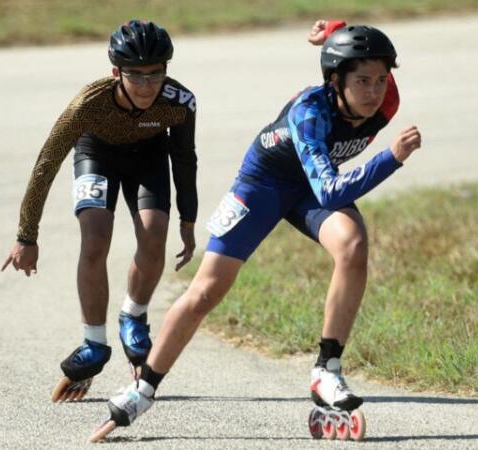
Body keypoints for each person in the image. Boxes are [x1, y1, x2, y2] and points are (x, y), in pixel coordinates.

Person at [89, 19, 422, 441]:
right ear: (336, 81)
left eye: (380, 80)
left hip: (307, 188)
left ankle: (327, 369)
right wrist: (390, 158)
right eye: (362, 81)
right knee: (206, 291)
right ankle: (143, 388)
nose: (373, 92)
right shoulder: (310, 115)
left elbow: (357, 60)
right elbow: (332, 189)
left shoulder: (385, 99)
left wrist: (333, 32)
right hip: (264, 184)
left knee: (353, 245)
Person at [1, 20, 198, 401]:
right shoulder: (87, 105)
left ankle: (133, 316)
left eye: (155, 74)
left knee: (155, 231)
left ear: (167, 70)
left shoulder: (180, 102)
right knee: (95, 239)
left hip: (149, 159)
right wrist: (27, 235)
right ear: (115, 73)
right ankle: (93, 342)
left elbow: (185, 159)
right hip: (98, 155)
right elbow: (46, 164)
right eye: (135, 76)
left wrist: (187, 220)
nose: (146, 86)